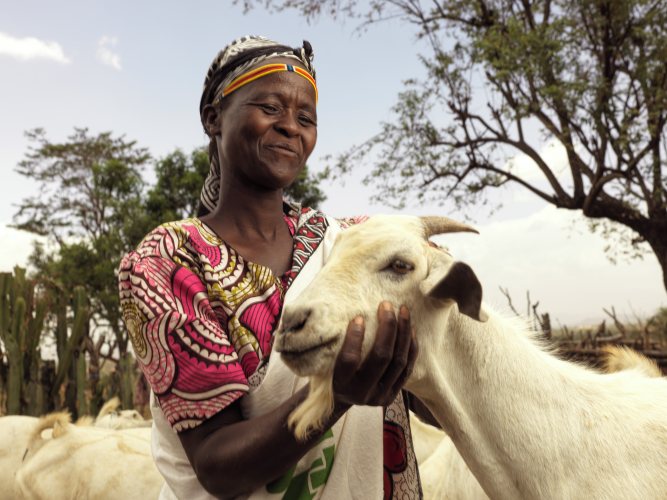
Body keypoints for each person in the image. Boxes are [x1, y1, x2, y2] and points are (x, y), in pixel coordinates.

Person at [119, 36, 438, 500]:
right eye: (270, 107)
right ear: (213, 117)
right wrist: (334, 397)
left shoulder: (347, 245)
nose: (291, 127)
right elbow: (217, 464)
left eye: (305, 118)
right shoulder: (166, 261)